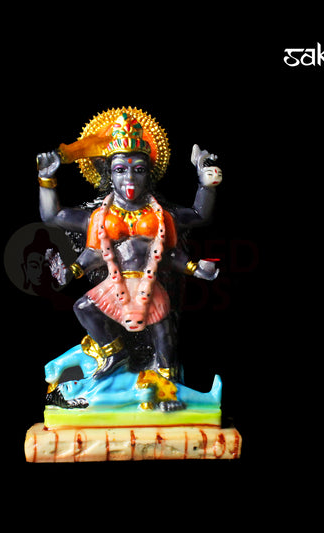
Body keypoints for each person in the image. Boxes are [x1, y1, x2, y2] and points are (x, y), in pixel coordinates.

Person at [37, 108, 222, 411]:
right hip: (116, 285)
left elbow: (186, 234)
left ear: (150, 173)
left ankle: (167, 389)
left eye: (139, 169)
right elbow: (57, 220)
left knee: (164, 333)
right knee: (84, 307)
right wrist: (47, 178)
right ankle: (114, 352)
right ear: (109, 174)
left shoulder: (160, 215)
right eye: (120, 170)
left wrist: (206, 186)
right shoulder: (100, 216)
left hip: (150, 286)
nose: (130, 178)